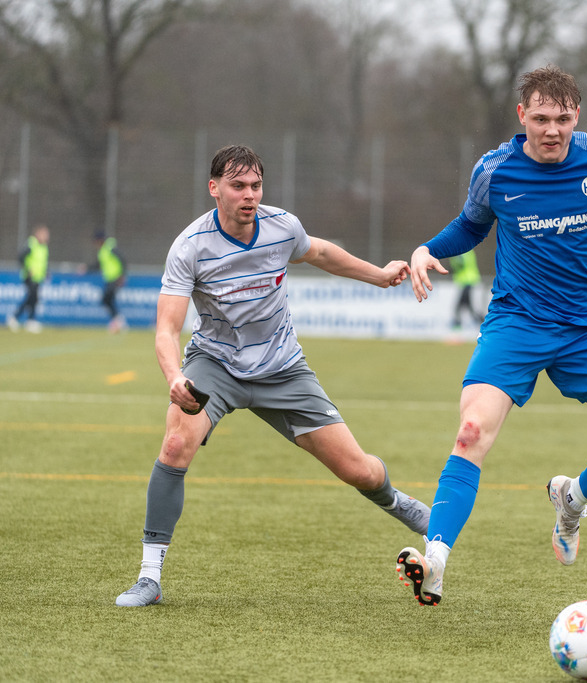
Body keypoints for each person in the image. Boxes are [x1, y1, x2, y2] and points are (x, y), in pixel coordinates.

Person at [395, 65, 587, 606]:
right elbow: (471, 225)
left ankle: (572, 499)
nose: (551, 131)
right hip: (516, 322)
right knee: (470, 431)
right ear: (522, 117)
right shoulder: (495, 170)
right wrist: (427, 249)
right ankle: (436, 559)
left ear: (576, 117)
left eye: (562, 119)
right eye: (540, 119)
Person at [115, 144, 430, 607]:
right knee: (176, 444)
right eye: (238, 186)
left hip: (282, 368)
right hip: (215, 364)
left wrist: (379, 275)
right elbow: (166, 327)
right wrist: (173, 377)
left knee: (356, 469)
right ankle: (149, 576)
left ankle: (395, 501)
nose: (249, 195)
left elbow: (320, 252)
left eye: (256, 186)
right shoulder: (190, 247)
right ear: (214, 188)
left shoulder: (282, 227)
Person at [7, 224, 49, 333]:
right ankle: (19, 318)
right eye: (44, 234)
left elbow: (42, 262)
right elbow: (21, 257)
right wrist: (28, 269)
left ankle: (25, 320)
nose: (47, 236)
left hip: (38, 277)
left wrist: (46, 273)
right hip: (30, 276)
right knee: (32, 297)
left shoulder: (43, 247)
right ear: (38, 234)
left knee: (33, 298)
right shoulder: (31, 244)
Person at [86, 231, 128, 333]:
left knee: (106, 298)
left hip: (115, 278)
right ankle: (118, 321)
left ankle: (118, 321)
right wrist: (86, 269)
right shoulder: (102, 251)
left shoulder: (111, 248)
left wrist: (122, 275)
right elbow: (98, 265)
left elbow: (122, 260)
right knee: (108, 300)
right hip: (109, 279)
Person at [448, 250, 484, 330]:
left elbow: (459, 264)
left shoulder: (460, 252)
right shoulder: (467, 251)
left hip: (467, 282)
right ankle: (486, 326)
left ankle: (456, 332)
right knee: (469, 309)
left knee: (459, 308)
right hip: (468, 282)